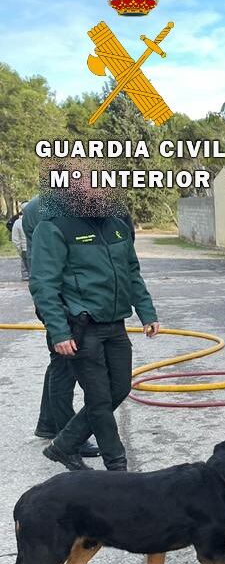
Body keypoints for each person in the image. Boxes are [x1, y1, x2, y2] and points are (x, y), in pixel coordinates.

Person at [29, 178, 158, 471]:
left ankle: (63, 445)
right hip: (81, 327)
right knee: (99, 398)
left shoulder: (117, 224)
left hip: (115, 324)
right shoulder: (54, 227)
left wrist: (147, 312)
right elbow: (43, 285)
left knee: (120, 388)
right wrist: (59, 331)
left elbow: (132, 272)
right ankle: (118, 467)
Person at [23, 192, 133, 458]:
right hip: (69, 308)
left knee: (60, 364)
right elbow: (46, 270)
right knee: (65, 366)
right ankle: (66, 436)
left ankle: (49, 425)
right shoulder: (50, 212)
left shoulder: (43, 205)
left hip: (69, 304)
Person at [11, 203, 29, 281]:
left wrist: (19, 248)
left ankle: (25, 277)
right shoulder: (35, 221)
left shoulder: (17, 222)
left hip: (24, 248)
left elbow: (15, 238)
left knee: (24, 264)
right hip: (34, 247)